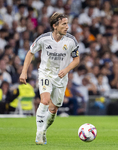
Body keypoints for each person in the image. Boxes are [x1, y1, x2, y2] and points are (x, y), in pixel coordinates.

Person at [19, 12, 80, 145]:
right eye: (64, 24)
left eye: (67, 23)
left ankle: (43, 130)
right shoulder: (43, 39)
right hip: (45, 73)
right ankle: (39, 134)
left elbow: (76, 60)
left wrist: (66, 69)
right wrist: (24, 72)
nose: (67, 27)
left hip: (61, 77)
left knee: (53, 110)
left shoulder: (71, 41)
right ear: (55, 26)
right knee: (45, 100)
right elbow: (30, 53)